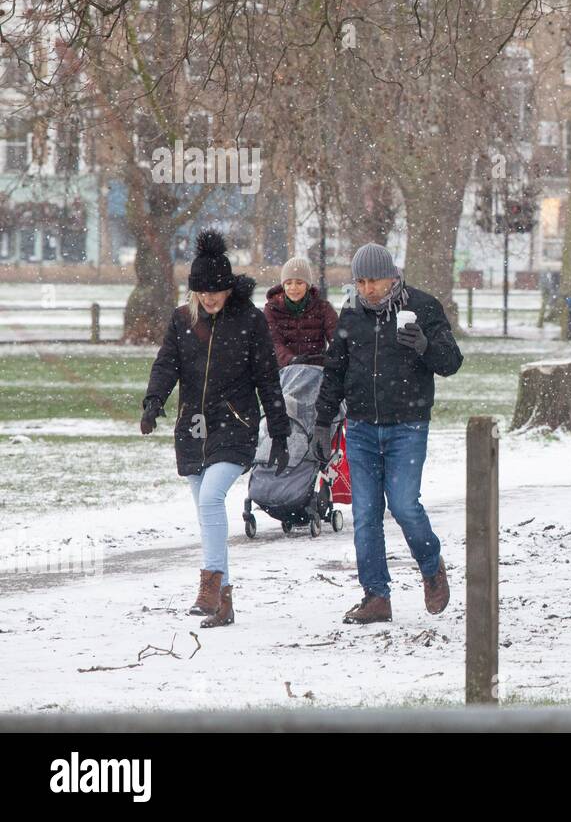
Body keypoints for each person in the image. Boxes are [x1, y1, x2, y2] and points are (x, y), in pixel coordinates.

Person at [141, 230, 290, 627]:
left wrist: (279, 431)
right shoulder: (181, 320)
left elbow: (267, 378)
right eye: (202, 290)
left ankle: (208, 588)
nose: (209, 298)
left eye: (216, 290)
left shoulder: (250, 321)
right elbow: (166, 364)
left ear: (229, 289)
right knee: (206, 512)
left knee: (210, 499)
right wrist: (153, 401)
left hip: (236, 424)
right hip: (192, 426)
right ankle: (223, 600)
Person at [310, 243, 463, 624]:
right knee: (365, 514)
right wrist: (322, 422)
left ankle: (431, 566)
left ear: (392, 276)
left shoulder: (422, 308)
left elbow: (451, 362)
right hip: (360, 428)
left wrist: (426, 346)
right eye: (360, 282)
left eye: (373, 281)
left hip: (407, 426)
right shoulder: (351, 316)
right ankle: (376, 596)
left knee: (405, 505)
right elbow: (334, 373)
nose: (367, 289)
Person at [264, 256, 339, 368]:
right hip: (284, 370)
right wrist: (290, 359)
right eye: (288, 283)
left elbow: (336, 338)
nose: (293, 287)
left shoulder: (323, 308)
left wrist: (333, 359)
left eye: (299, 283)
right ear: (283, 286)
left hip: (316, 370)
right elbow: (274, 342)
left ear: (307, 285)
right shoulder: (272, 309)